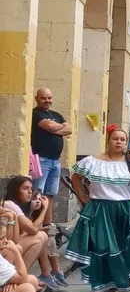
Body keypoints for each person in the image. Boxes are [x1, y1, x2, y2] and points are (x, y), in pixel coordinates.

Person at [65, 126, 130, 292]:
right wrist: (82, 197)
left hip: (124, 210)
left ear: (126, 143)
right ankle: (97, 288)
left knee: (122, 249)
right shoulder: (93, 160)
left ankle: (115, 286)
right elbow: (76, 177)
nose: (119, 142)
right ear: (108, 141)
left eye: (122, 139)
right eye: (115, 139)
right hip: (100, 210)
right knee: (99, 248)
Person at [30, 87, 72, 225]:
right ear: (36, 99)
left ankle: (48, 224)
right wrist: (56, 127)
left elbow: (69, 129)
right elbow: (50, 127)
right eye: (43, 98)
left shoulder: (56, 114)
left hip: (55, 161)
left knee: (50, 194)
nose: (47, 101)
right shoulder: (35, 114)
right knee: (37, 194)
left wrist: (53, 128)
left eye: (49, 98)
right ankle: (35, 224)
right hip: (41, 160)